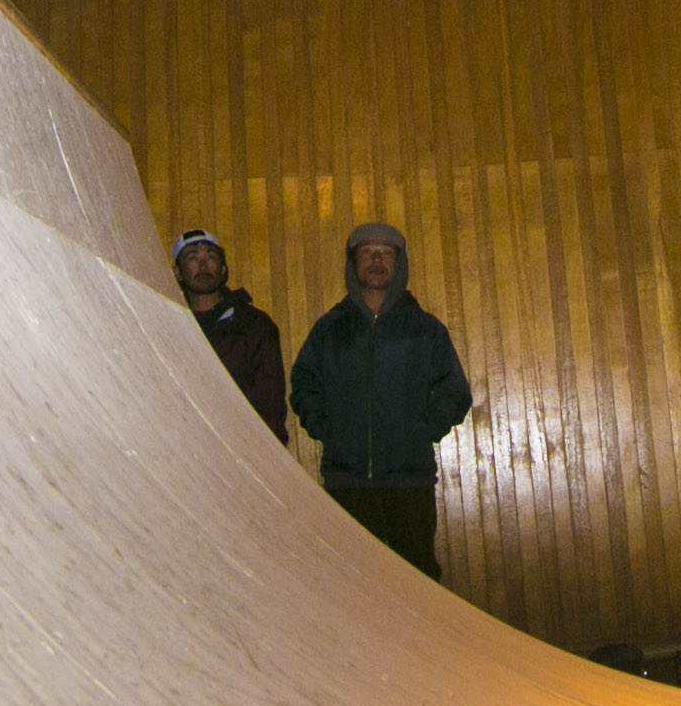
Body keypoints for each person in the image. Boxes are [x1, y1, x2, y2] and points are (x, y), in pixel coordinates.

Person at [288, 222, 471, 578]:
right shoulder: (329, 329)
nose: (376, 259)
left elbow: (455, 391)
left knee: (418, 582)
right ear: (353, 263)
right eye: (367, 252)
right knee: (353, 584)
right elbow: (304, 382)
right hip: (347, 484)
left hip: (409, 483)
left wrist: (420, 431)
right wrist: (329, 428)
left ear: (399, 264)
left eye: (386, 253)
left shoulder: (425, 329)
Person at [171, 229, 287, 442]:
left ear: (223, 270)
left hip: (242, 447)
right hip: (182, 448)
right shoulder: (167, 324)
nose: (203, 265)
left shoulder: (254, 325)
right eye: (192, 258)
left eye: (211, 257)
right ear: (177, 272)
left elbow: (270, 399)